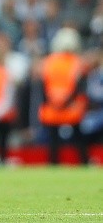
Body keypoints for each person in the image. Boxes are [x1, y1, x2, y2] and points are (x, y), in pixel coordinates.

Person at [38, 27, 89, 165]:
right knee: (78, 137)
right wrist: (67, 101)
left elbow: (43, 85)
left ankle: (53, 164)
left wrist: (53, 101)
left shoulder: (48, 62)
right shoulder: (77, 62)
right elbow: (80, 86)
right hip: (71, 106)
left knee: (53, 140)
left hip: (52, 106)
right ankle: (84, 162)